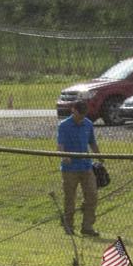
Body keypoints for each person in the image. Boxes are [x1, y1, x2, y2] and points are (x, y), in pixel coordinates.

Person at [56, 100, 101, 236]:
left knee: (92, 195)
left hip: (86, 166)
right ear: (73, 110)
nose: (81, 118)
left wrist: (100, 156)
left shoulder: (88, 124)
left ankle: (87, 227)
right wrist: (64, 156)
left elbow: (92, 142)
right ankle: (69, 226)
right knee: (70, 197)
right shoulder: (64, 126)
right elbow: (60, 145)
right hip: (70, 169)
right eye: (79, 115)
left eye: (83, 115)